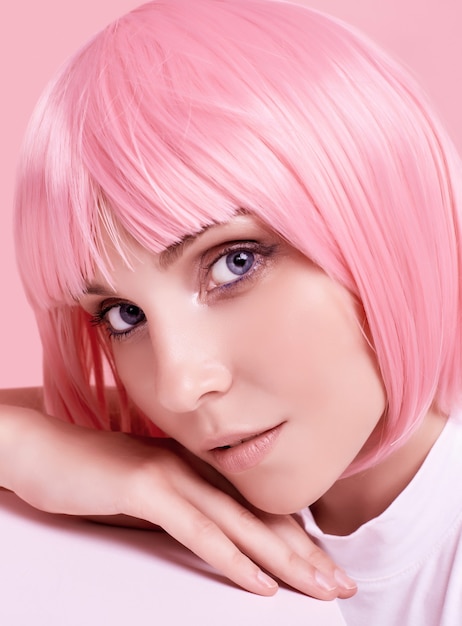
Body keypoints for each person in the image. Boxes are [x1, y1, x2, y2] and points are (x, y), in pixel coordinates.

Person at [2, 0, 462, 622]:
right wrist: (28, 448)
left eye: (233, 263)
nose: (181, 386)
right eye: (123, 316)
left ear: (381, 224)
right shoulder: (170, 461)